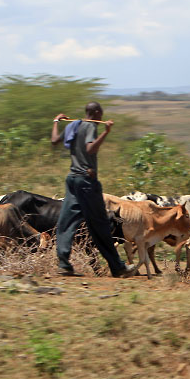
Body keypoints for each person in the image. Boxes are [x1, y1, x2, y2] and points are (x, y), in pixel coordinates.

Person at [50, 102, 136, 278]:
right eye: (101, 114)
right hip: (87, 182)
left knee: (66, 223)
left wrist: (56, 122)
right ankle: (118, 267)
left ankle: (64, 264)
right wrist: (106, 132)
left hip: (72, 180)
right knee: (100, 225)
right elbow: (90, 149)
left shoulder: (73, 125)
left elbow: (54, 141)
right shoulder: (90, 126)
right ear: (96, 113)